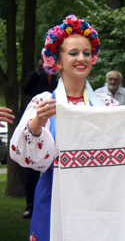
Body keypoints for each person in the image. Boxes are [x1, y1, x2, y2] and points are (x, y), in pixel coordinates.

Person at [9, 15, 125, 241]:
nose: (82, 58)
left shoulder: (106, 105)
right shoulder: (45, 102)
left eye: (86, 53)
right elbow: (27, 157)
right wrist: (37, 123)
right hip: (55, 199)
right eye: (73, 53)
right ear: (57, 61)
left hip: (100, 203)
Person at [21, 59, 58, 219]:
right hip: (38, 120)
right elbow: (27, 90)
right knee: (33, 169)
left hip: (56, 122)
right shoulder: (34, 75)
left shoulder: (60, 77)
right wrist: (37, 72)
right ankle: (30, 206)